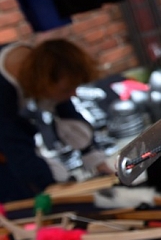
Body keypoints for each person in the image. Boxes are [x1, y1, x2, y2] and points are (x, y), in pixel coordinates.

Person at [0, 39, 110, 202]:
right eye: (67, 90)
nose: (73, 94)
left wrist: (100, 165)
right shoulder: (4, 95)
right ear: (41, 83)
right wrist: (52, 189)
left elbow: (67, 113)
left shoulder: (40, 64)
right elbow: (16, 148)